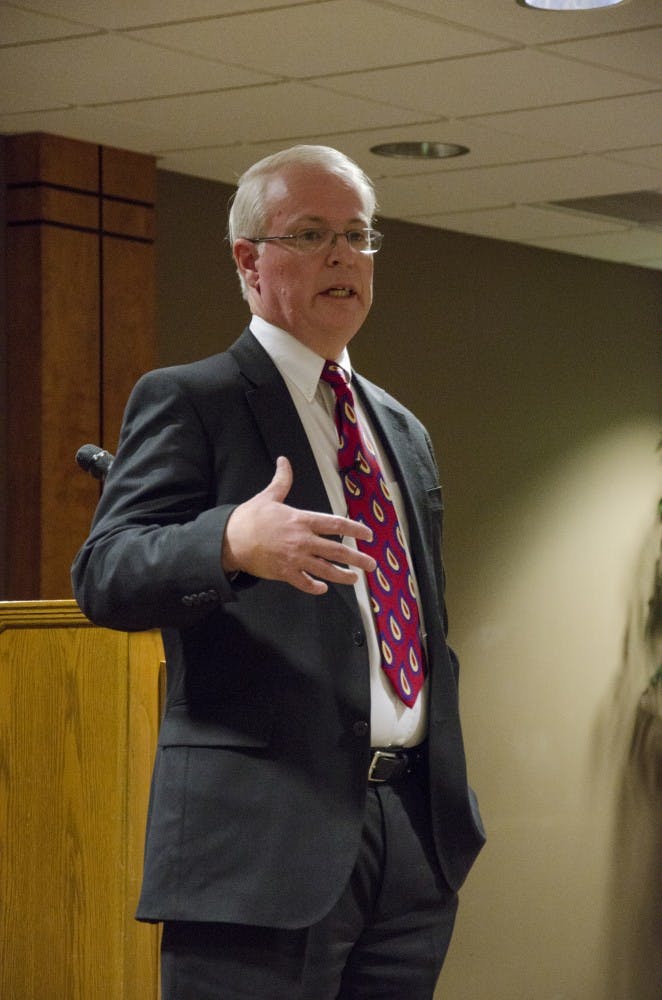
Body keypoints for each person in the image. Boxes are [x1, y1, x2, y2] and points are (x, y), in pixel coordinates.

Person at [72, 144, 485, 1000]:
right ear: (248, 261)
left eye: (357, 235)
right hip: (260, 846)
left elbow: (419, 618)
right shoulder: (194, 399)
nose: (342, 256)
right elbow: (105, 573)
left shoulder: (400, 428)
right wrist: (229, 541)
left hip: (412, 840)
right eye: (310, 234)